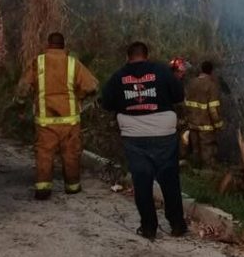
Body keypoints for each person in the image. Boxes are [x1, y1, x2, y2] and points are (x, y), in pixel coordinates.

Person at [102, 42, 188, 240]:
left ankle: (149, 228)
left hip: (134, 137)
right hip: (164, 134)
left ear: (128, 57)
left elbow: (107, 102)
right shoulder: (162, 71)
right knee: (170, 181)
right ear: (147, 56)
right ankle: (177, 225)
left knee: (142, 182)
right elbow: (178, 95)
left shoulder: (119, 76)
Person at [17, 32, 99, 200]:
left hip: (45, 122)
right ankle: (73, 186)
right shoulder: (72, 63)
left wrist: (19, 104)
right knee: (71, 154)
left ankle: (43, 189)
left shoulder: (38, 62)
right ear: (63, 46)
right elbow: (92, 86)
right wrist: (80, 96)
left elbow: (23, 89)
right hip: (70, 122)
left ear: (48, 45)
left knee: (44, 154)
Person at [184, 60, 224, 167]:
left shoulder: (192, 83)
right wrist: (218, 124)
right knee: (207, 152)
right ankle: (207, 175)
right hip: (206, 126)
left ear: (201, 70)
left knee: (196, 150)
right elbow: (213, 109)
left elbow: (186, 103)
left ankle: (195, 172)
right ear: (211, 72)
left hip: (192, 124)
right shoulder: (211, 85)